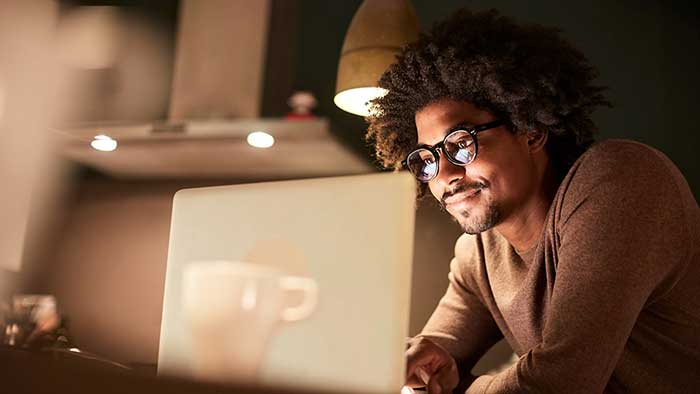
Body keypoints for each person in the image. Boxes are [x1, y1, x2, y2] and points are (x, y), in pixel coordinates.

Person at [366, 9, 700, 394]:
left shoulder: (620, 181)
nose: (444, 176)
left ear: (530, 131)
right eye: (427, 159)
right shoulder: (478, 255)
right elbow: (426, 367)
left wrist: (464, 388)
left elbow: (558, 383)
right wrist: (417, 370)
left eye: (460, 144)